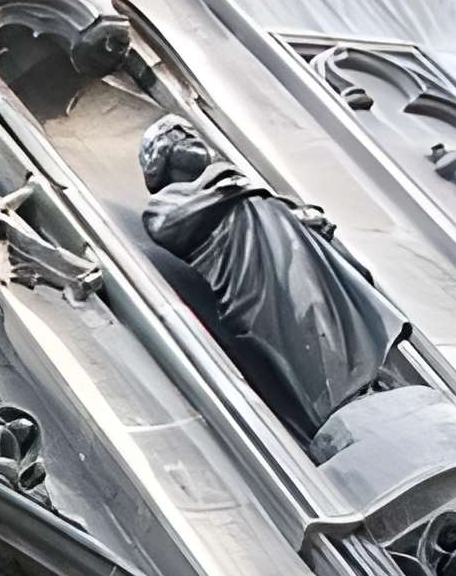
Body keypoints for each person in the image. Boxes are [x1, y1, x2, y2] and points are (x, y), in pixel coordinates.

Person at [138, 114, 407, 439]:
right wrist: (232, 186)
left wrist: (305, 222)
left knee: (335, 323)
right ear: (162, 155)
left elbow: (280, 214)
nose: (192, 138)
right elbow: (169, 225)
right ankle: (340, 406)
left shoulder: (235, 187)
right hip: (256, 285)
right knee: (304, 337)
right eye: (179, 135)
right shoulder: (169, 202)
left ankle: (370, 386)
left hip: (300, 265)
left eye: (192, 132)